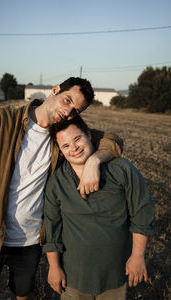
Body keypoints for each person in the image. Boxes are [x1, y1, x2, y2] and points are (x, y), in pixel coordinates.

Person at [0, 77, 123, 300]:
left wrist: (94, 161)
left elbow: (114, 140)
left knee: (23, 294)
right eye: (67, 100)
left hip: (30, 242)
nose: (68, 112)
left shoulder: (61, 136)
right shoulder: (1, 119)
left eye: (75, 111)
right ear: (54, 90)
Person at [43, 116, 155, 300]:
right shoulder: (57, 183)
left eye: (77, 139)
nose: (74, 148)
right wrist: (54, 267)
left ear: (89, 135)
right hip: (74, 276)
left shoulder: (122, 169)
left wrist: (137, 256)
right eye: (66, 146)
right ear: (61, 151)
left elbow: (141, 213)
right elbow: (52, 228)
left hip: (116, 273)